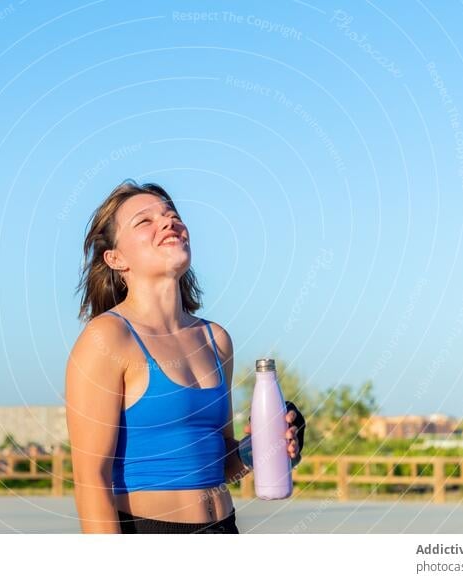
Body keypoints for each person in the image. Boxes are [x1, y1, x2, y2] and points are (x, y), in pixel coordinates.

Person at [65, 179, 304, 534]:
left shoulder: (215, 339)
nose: (168, 222)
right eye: (144, 221)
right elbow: (91, 481)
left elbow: (222, 464)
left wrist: (261, 451)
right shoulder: (107, 338)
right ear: (115, 259)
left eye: (172, 215)